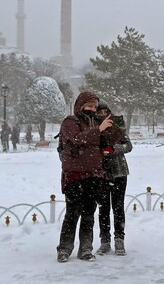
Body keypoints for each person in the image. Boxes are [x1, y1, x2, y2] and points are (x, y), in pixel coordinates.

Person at [56, 92, 123, 263]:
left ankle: (85, 248)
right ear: (80, 105)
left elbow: (109, 140)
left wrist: (112, 124)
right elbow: (78, 139)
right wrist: (97, 130)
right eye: (89, 106)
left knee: (88, 214)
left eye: (94, 106)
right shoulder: (70, 122)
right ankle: (64, 249)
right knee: (72, 213)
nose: (92, 109)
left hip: (93, 174)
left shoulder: (95, 123)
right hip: (75, 175)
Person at [95, 100, 132, 256]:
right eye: (100, 113)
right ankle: (105, 241)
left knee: (118, 208)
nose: (103, 115)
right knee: (103, 208)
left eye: (105, 112)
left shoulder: (117, 126)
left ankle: (119, 239)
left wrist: (114, 149)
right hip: (101, 173)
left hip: (119, 172)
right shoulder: (94, 129)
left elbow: (128, 146)